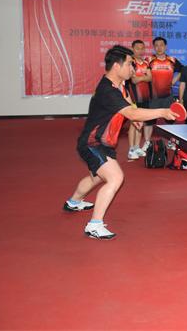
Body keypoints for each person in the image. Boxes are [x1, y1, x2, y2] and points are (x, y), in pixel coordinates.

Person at [64, 45, 177, 240]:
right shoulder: (108, 91)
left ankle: (74, 202)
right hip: (92, 143)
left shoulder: (118, 85)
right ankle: (94, 225)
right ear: (117, 66)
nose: (133, 69)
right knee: (115, 178)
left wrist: (134, 117)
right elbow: (131, 111)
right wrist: (162, 112)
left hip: (103, 143)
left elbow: (128, 105)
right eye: (129, 64)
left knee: (97, 177)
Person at [126, 39, 152, 160]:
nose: (140, 51)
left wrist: (141, 77)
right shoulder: (130, 62)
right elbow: (134, 80)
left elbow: (150, 78)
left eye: (142, 48)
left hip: (145, 98)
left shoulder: (146, 63)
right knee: (134, 123)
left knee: (140, 123)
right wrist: (144, 76)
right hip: (134, 98)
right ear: (132, 49)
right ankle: (131, 149)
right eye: (137, 48)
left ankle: (137, 147)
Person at [149, 36, 183, 110]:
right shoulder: (149, 60)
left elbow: (182, 70)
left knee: (169, 116)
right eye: (156, 45)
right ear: (154, 47)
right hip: (153, 96)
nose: (159, 48)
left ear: (165, 47)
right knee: (152, 116)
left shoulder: (172, 60)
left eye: (161, 45)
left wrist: (173, 81)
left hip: (168, 96)